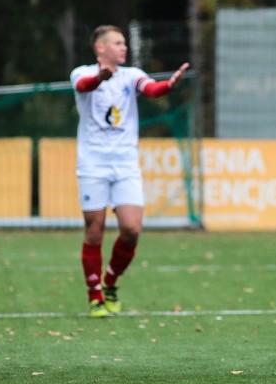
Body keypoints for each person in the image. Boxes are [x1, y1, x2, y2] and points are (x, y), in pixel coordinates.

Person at [70, 25, 189, 318]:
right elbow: (84, 86)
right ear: (100, 48)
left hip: (125, 165)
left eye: (124, 43)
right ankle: (95, 295)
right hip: (93, 164)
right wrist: (100, 77)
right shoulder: (81, 72)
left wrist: (169, 85)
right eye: (118, 43)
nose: (124, 47)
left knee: (132, 229)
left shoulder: (131, 75)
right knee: (94, 230)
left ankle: (110, 281)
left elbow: (150, 89)